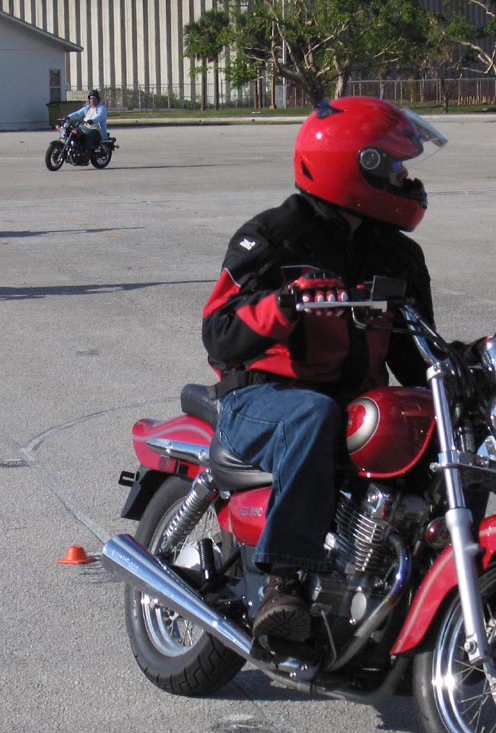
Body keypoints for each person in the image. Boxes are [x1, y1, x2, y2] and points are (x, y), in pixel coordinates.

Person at [201, 97, 447, 654]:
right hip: (264, 399)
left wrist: (469, 361)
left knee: (434, 418)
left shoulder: (398, 255)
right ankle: (285, 584)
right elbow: (218, 333)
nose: (406, 179)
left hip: (351, 404)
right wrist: (284, 305)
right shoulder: (273, 237)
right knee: (314, 413)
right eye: (395, 166)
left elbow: (415, 356)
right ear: (354, 165)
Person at [65, 89, 108, 153]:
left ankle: (86, 152)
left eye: (94, 98)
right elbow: (78, 113)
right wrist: (68, 117)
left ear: (98, 99)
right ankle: (70, 148)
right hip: (84, 127)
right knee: (72, 132)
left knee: (88, 135)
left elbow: (100, 116)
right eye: (91, 98)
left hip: (96, 129)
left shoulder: (101, 108)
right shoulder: (87, 108)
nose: (92, 100)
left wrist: (92, 121)